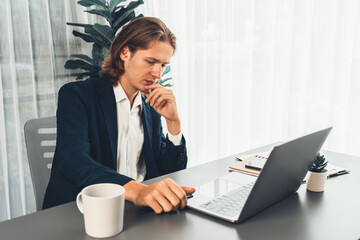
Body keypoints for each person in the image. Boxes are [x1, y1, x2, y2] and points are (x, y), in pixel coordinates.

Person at [43, 17, 195, 214]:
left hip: (137, 214)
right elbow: (73, 159)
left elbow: (166, 174)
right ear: (125, 53)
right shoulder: (77, 95)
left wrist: (173, 122)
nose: (157, 73)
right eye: (150, 61)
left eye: (163, 65)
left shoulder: (150, 108)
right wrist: (138, 191)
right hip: (87, 212)